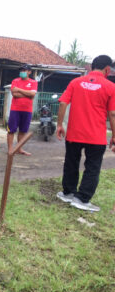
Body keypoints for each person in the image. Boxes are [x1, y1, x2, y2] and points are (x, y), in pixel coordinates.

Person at [56, 55, 115, 212]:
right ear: (107, 69)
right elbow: (113, 114)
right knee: (92, 167)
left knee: (71, 162)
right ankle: (82, 199)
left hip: (74, 134)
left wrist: (60, 125)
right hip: (96, 136)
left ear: (91, 66)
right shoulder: (111, 87)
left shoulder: (75, 82)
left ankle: (68, 193)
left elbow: (62, 103)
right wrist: (114, 136)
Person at [7, 64, 37, 155]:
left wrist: (19, 90)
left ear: (29, 72)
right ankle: (10, 149)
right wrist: (28, 94)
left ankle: (19, 149)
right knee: (11, 130)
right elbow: (14, 94)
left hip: (27, 110)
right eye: (21, 70)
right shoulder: (15, 81)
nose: (22, 72)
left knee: (23, 130)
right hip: (15, 109)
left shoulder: (33, 82)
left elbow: (33, 95)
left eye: (24, 70)